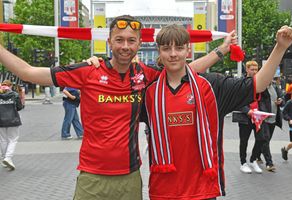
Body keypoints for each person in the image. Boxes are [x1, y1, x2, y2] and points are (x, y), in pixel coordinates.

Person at [0, 15, 237, 199]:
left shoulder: (146, 75)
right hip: (92, 176)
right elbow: (27, 72)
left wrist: (221, 50)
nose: (125, 46)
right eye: (119, 40)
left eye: (131, 41)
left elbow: (184, 67)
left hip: (130, 176)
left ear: (139, 44)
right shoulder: (88, 71)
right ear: (109, 41)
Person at [143, 24, 292, 199]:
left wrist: (280, 47)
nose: (172, 53)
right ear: (159, 51)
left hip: (203, 190)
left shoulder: (213, 86)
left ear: (188, 50)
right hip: (163, 190)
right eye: (166, 48)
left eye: (179, 48)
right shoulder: (148, 91)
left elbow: (259, 84)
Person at [0, 80, 23, 170]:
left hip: (1, 120)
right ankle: (8, 157)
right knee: (13, 139)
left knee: (3, 140)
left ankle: (4, 158)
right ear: (11, 86)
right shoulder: (14, 94)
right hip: (13, 120)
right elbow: (19, 107)